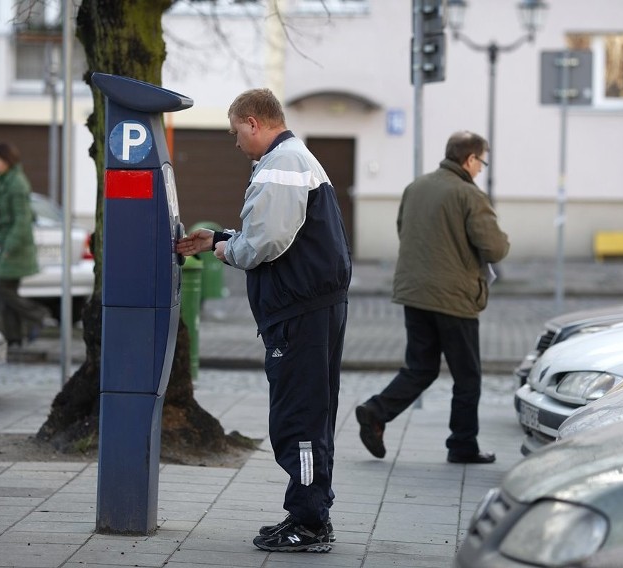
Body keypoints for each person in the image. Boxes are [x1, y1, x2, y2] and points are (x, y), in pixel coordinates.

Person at [175, 88, 351, 553]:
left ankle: (309, 522)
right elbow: (282, 233)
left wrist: (226, 249)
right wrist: (218, 235)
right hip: (312, 308)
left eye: (236, 132)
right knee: (310, 414)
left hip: (300, 312)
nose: (235, 144)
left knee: (299, 419)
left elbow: (266, 243)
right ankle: (310, 513)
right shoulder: (294, 159)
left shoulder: (281, 164)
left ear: (253, 122)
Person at [355, 131, 509, 465]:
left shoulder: (417, 187)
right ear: (469, 160)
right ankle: (462, 445)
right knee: (467, 377)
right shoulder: (470, 195)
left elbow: (403, 230)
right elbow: (495, 248)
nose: (481, 169)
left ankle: (376, 412)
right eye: (481, 161)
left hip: (414, 293)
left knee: (421, 368)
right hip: (454, 298)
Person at [0, 142, 51, 346]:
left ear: (7, 160)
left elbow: (22, 220)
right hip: (8, 242)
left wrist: (9, 249)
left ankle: (38, 314)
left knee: (2, 289)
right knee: (8, 293)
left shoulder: (16, 184)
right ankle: (14, 337)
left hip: (15, 247)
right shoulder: (6, 180)